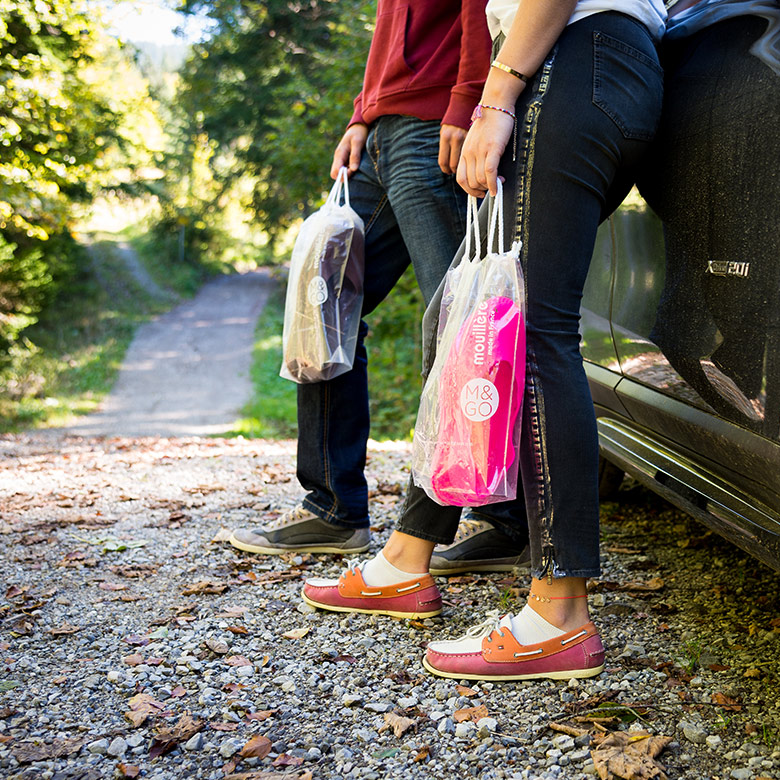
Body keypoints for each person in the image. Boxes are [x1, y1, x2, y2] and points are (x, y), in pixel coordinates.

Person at [301, 0, 666, 681]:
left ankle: (557, 613)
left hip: (565, 57)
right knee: (503, 324)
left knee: (529, 332)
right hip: (614, 65)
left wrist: (494, 95)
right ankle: (409, 556)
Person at [229, 0, 530, 574]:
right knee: (322, 311)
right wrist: (361, 115)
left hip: (436, 124)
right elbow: (392, 28)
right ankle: (334, 508)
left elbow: (475, 11)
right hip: (383, 132)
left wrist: (467, 102)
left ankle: (501, 518)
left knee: (464, 322)